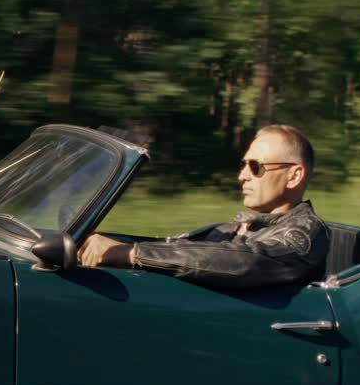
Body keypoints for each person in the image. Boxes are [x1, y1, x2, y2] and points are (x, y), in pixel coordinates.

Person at [78, 124, 329, 289]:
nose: (242, 176)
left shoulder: (304, 235)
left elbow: (244, 262)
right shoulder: (240, 227)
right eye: (243, 165)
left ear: (294, 176)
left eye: (256, 167)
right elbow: (182, 248)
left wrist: (131, 253)